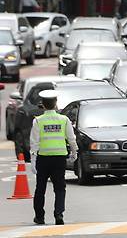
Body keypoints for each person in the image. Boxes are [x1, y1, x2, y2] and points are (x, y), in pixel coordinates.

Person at [29, 90, 77, 226]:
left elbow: (34, 142)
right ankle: (59, 214)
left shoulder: (38, 121)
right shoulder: (64, 119)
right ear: (56, 103)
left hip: (43, 158)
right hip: (59, 158)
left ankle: (39, 216)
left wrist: (33, 159)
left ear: (43, 105)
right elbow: (71, 139)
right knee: (60, 187)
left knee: (40, 188)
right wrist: (74, 153)